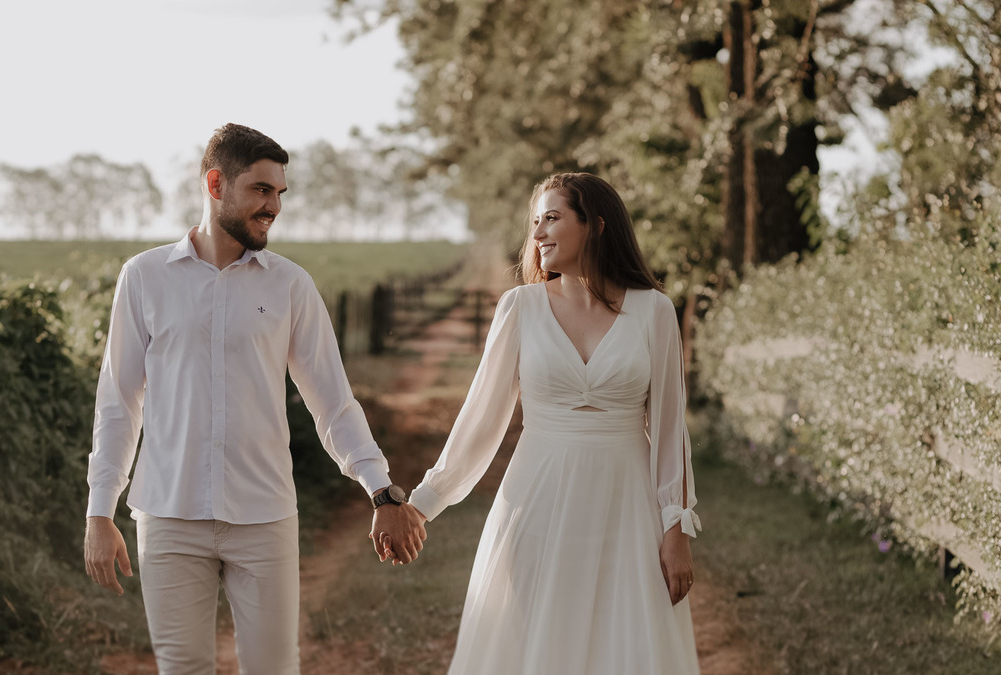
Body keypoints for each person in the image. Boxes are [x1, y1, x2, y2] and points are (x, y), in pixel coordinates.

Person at [82, 123, 427, 675]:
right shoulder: (144, 278)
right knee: (182, 668)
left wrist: (381, 491)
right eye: (262, 190)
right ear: (216, 183)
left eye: (279, 194)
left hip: (264, 516)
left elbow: (333, 403)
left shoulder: (290, 286)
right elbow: (119, 404)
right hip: (167, 515)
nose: (274, 207)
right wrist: (101, 510)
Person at [404, 172, 702, 673]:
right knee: (534, 643)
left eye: (553, 218)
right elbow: (482, 418)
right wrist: (423, 503)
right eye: (535, 221)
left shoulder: (654, 312)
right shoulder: (520, 307)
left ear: (596, 226)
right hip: (535, 499)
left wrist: (676, 526)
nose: (538, 232)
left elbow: (670, 430)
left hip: (626, 506)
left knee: (621, 645)